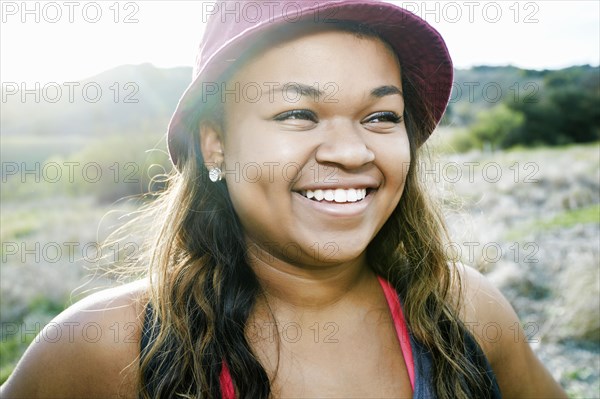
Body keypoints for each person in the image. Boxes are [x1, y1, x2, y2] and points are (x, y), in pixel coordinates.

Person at [1, 1, 567, 398]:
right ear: (215, 145)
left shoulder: (463, 310)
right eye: (297, 113)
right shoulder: (103, 348)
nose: (351, 151)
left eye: (381, 116)